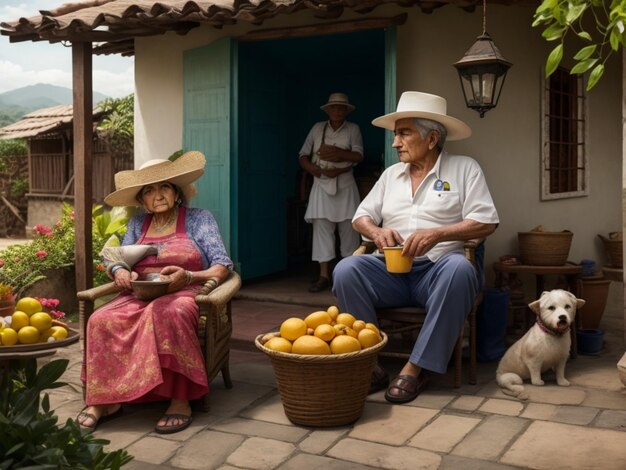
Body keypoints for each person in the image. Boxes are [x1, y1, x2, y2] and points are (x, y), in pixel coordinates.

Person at [333, 91, 499, 404]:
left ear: (432, 138)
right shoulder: (390, 175)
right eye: (396, 134)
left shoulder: (465, 169)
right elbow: (361, 218)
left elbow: (487, 222)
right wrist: (376, 231)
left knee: (461, 269)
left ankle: (416, 367)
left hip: (439, 272)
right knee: (347, 269)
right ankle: (371, 364)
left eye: (404, 133)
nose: (395, 143)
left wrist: (439, 234)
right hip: (391, 273)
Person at [77, 150, 233, 434]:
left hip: (186, 290)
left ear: (176, 193)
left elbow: (222, 265)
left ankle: (180, 399)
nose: (158, 195)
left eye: (164, 188)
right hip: (139, 292)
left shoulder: (199, 219)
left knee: (167, 313)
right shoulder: (138, 223)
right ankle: (106, 401)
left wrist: (188, 276)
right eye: (149, 191)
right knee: (100, 319)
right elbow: (117, 257)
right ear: (142, 200)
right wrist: (119, 271)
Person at [298, 92, 364, 293]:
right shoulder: (318, 128)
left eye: (341, 107)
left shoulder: (353, 129)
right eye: (334, 107)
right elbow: (303, 156)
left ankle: (347, 275)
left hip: (345, 182)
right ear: (328, 110)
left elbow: (359, 155)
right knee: (322, 231)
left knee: (349, 230)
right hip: (321, 182)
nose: (337, 110)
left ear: (346, 111)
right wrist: (316, 170)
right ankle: (324, 276)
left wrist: (338, 157)